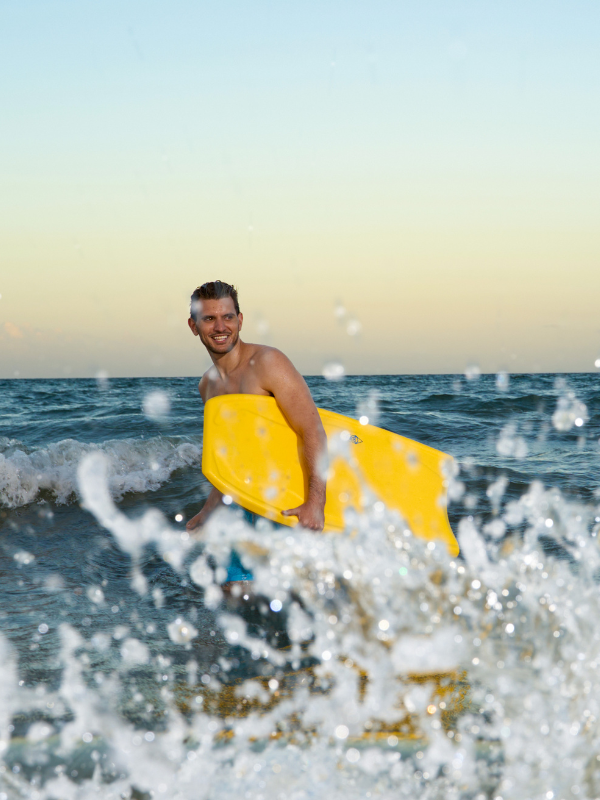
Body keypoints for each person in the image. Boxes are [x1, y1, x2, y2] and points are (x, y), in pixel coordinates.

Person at [186, 281, 327, 582]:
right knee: (233, 594)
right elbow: (234, 460)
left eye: (228, 316)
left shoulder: (268, 364)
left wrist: (315, 503)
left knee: (296, 595)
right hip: (243, 505)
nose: (220, 326)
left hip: (285, 503)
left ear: (240, 319)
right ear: (194, 326)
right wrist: (208, 510)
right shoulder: (207, 387)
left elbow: (313, 431)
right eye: (209, 318)